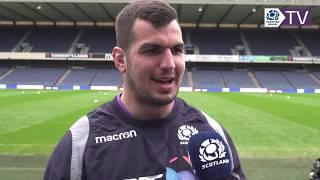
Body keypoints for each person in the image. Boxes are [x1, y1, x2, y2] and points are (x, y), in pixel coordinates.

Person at [43, 0, 246, 179]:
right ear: (121, 60)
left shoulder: (210, 132)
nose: (169, 64)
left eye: (176, 50)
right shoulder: (81, 144)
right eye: (152, 50)